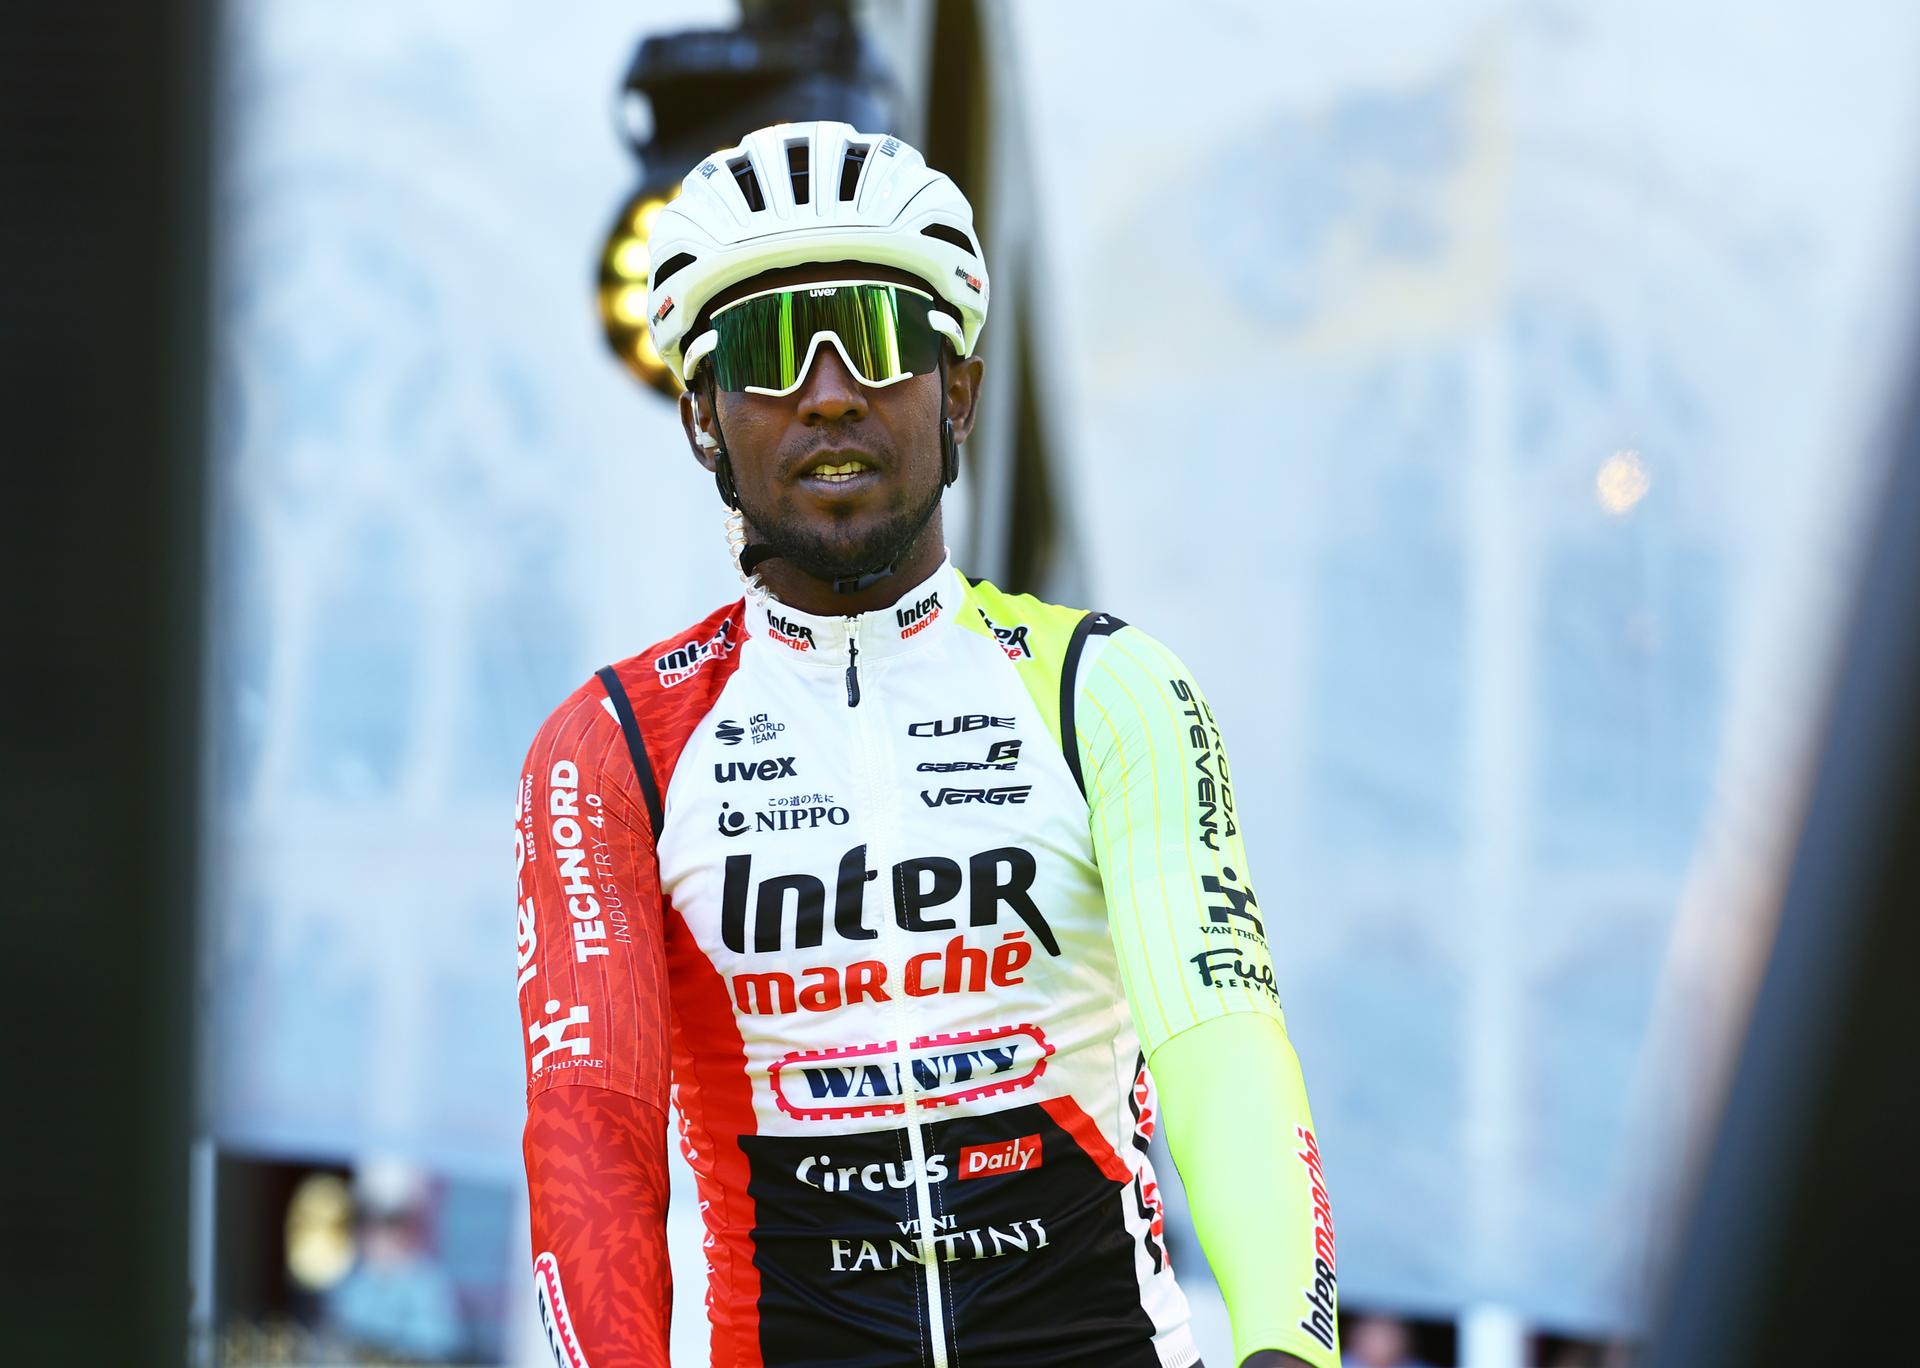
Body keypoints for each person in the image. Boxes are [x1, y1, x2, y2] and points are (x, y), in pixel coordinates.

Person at [515, 120, 1338, 1368]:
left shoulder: (1105, 686)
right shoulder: (612, 746)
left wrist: (1287, 1347)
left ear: (957, 388)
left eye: (882, 339)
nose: (830, 390)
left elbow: (1219, 1035)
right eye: (768, 349)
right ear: (702, 414)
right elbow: (593, 1132)